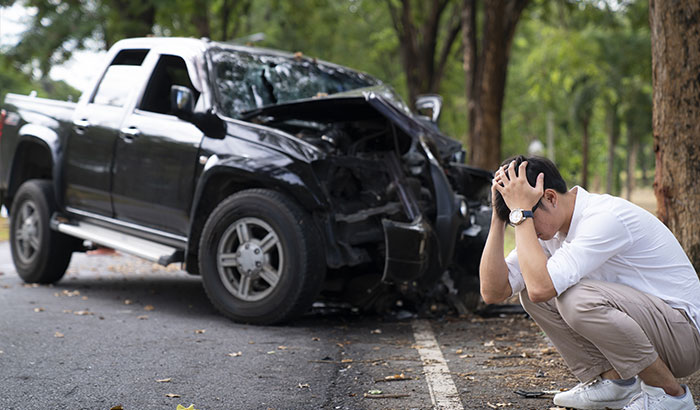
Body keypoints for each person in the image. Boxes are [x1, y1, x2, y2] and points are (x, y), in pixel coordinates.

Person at [479, 155, 700, 410]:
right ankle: (615, 383)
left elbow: (542, 288)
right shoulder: (550, 228)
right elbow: (493, 291)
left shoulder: (602, 218)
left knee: (575, 299)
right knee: (530, 288)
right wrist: (499, 215)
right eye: (515, 218)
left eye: (523, 215)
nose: (520, 223)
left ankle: (669, 395)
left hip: (684, 335)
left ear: (550, 197)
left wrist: (522, 215)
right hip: (656, 328)